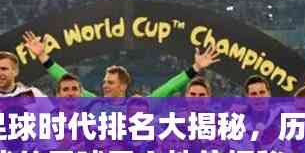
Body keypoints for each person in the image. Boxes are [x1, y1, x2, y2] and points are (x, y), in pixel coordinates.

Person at [22, 31, 220, 97]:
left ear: (123, 85)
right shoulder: (94, 103)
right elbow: (66, 80)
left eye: (110, 82)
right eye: (105, 81)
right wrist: (43, 57)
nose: (105, 85)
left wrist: (195, 68)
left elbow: (169, 87)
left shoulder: (139, 108)